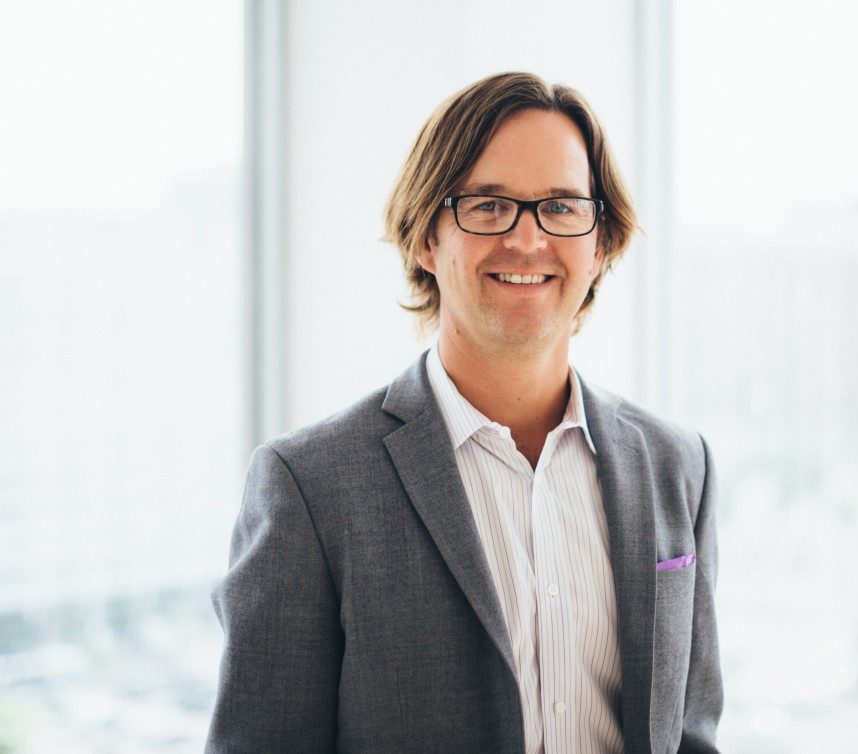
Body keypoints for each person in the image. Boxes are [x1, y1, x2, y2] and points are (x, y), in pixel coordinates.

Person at [206, 71, 722, 754]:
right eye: (488, 206)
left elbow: (690, 736)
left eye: (562, 206)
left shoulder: (678, 465)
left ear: (600, 243)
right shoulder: (309, 486)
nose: (528, 240)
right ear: (427, 237)